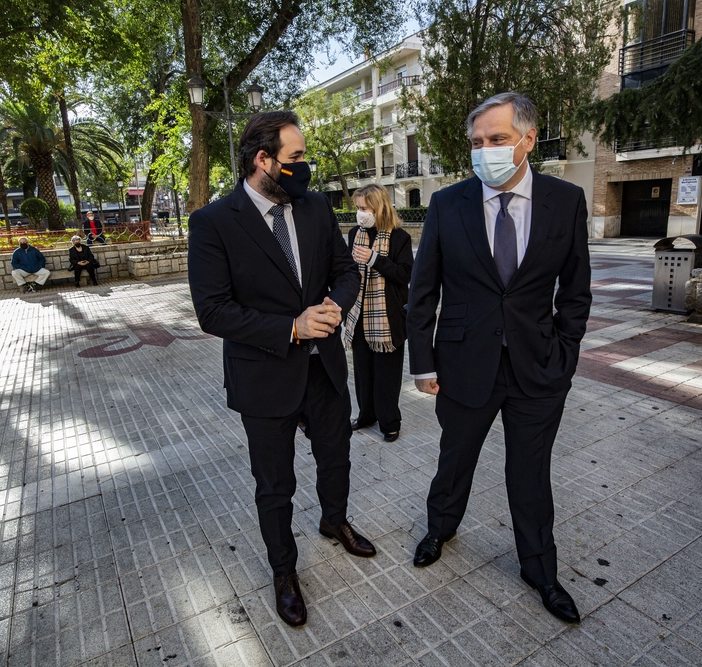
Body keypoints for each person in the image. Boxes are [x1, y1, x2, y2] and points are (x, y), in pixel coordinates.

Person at [406, 92, 592, 624]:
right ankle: (440, 527)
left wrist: (566, 353)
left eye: (496, 139)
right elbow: (423, 294)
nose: (483, 150)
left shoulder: (565, 201)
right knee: (455, 457)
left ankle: (540, 570)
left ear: (528, 140)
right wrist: (423, 364)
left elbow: (575, 290)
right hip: (463, 365)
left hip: (538, 367)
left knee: (530, 475)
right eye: (477, 142)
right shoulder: (448, 204)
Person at [188, 110, 376, 628]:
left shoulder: (315, 207)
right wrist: (292, 327)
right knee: (275, 484)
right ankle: (284, 570)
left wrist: (334, 306)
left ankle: (334, 521)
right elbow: (213, 311)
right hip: (264, 374)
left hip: (325, 368)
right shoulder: (213, 222)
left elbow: (344, 271)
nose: (304, 167)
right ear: (262, 159)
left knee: (336, 458)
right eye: (295, 157)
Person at [344, 184, 413, 442]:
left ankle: (389, 421)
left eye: (364, 208)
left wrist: (375, 259)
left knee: (387, 374)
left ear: (379, 207)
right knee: (363, 371)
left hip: (388, 318)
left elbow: (405, 274)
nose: (360, 213)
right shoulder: (354, 233)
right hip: (359, 314)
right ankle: (366, 415)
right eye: (358, 208)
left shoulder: (399, 237)